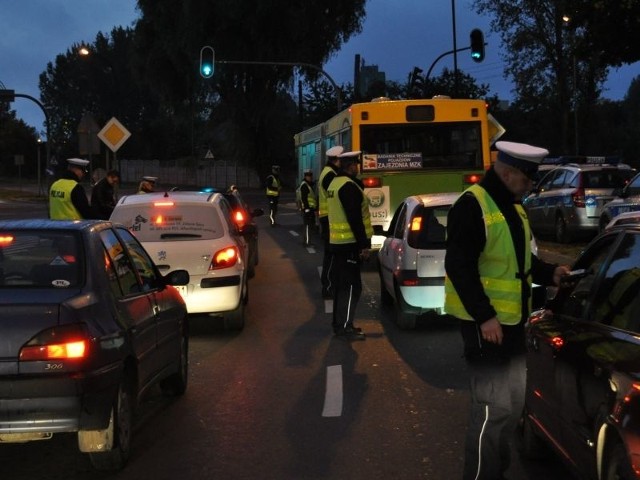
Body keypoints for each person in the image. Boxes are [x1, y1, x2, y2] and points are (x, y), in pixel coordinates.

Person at [444, 140, 571, 480]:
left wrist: (550, 273)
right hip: (486, 327)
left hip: (512, 324)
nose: (530, 186)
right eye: (527, 179)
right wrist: (484, 315)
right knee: (492, 411)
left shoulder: (512, 208)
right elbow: (459, 266)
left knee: (512, 408)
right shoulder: (472, 206)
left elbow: (522, 262)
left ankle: (494, 472)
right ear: (508, 172)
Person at [326, 150, 372, 340]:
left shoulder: (335, 183)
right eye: (356, 164)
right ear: (351, 166)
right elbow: (355, 219)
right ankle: (345, 327)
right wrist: (363, 245)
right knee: (352, 287)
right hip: (349, 244)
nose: (358, 168)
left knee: (341, 287)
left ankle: (340, 325)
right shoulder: (349, 186)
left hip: (337, 243)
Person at [318, 145, 344, 298]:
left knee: (332, 254)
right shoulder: (329, 175)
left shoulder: (328, 172)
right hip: (329, 218)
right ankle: (328, 286)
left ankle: (330, 285)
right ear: (337, 159)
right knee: (331, 254)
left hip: (328, 218)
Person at [297, 169, 317, 246]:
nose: (310, 177)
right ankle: (307, 242)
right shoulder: (304, 185)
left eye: (310, 175)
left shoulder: (307, 184)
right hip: (307, 209)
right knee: (308, 226)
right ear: (305, 176)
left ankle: (307, 241)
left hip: (309, 209)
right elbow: (304, 198)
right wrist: (307, 208)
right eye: (308, 176)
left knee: (309, 225)